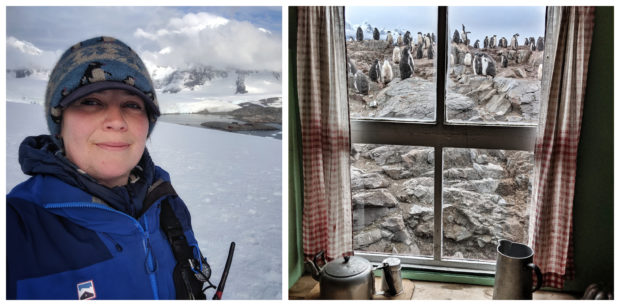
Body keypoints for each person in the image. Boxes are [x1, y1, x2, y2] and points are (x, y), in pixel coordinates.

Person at [7, 36, 211, 300]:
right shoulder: (17, 230)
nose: (116, 120)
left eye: (132, 104)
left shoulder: (167, 204)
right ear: (59, 124)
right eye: (91, 101)